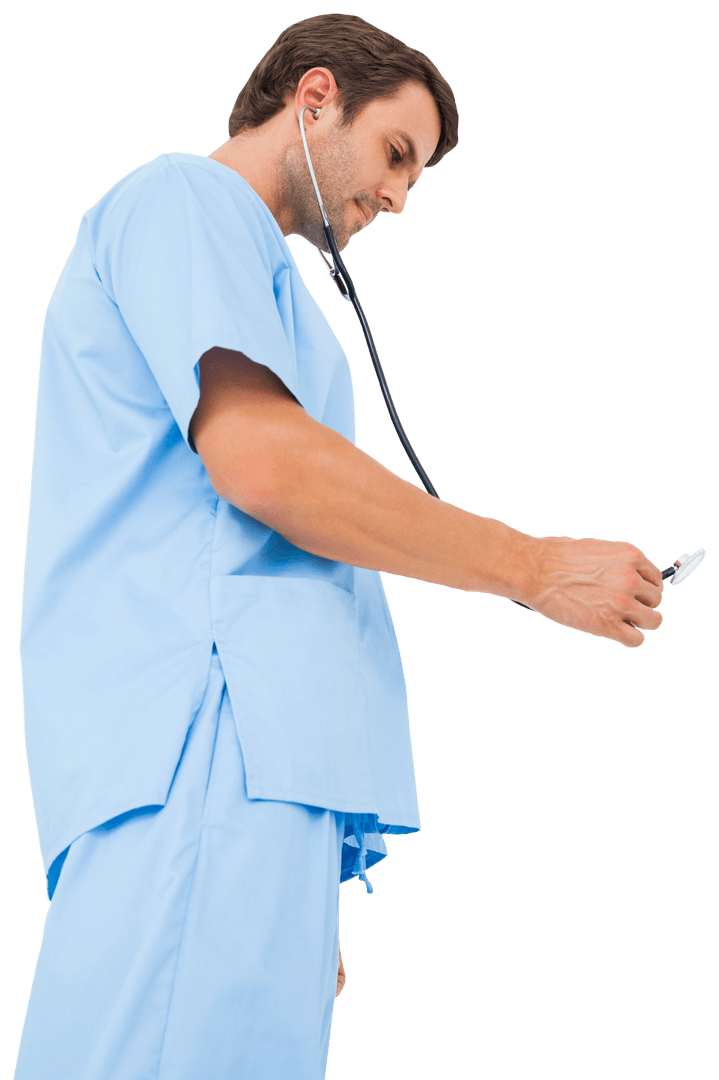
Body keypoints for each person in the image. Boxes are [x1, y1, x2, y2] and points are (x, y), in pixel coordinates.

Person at [14, 13, 664, 1080]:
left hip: (251, 795)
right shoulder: (183, 200)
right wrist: (534, 566)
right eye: (393, 154)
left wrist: (303, 870)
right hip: (204, 763)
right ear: (313, 98)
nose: (398, 197)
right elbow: (268, 469)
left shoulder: (267, 284)